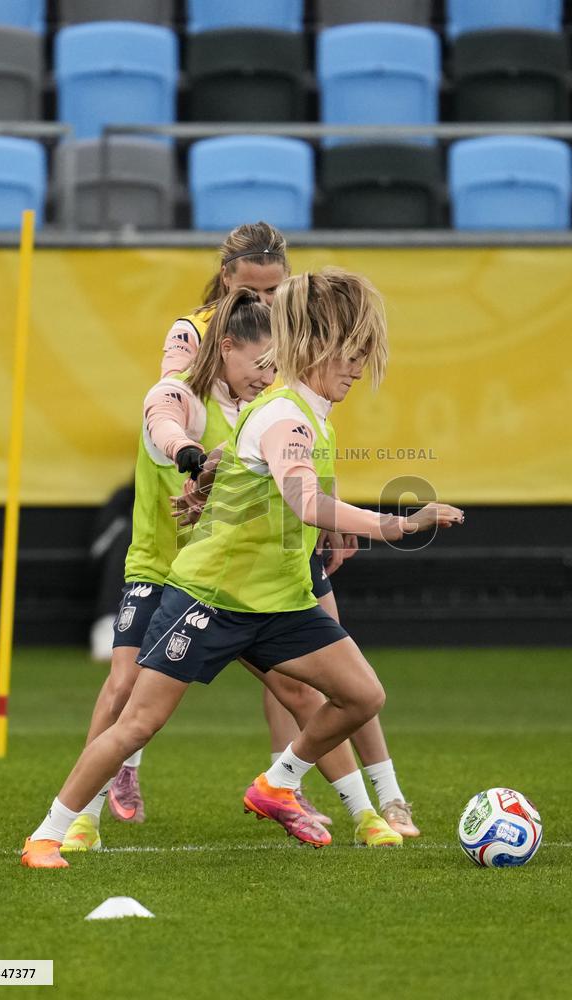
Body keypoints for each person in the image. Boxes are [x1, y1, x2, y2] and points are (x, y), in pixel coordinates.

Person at [21, 267, 464, 868]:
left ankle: (279, 783)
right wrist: (399, 524)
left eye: (365, 356)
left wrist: (208, 484)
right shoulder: (285, 415)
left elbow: (244, 464)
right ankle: (49, 834)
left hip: (278, 603)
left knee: (362, 695)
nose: (359, 369)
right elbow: (303, 498)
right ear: (317, 348)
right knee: (136, 723)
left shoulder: (301, 412)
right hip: (212, 600)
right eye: (352, 356)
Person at [108, 222, 421, 839]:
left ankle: (369, 799)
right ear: (227, 281)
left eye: (278, 290)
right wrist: (192, 459)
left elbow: (301, 440)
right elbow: (165, 402)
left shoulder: (290, 346)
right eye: (256, 289)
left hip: (272, 531)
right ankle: (92, 801)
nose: (269, 303)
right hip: (205, 545)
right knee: (130, 686)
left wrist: (331, 509)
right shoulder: (193, 336)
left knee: (321, 674)